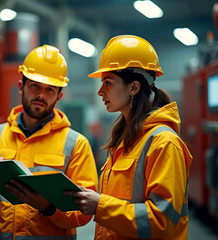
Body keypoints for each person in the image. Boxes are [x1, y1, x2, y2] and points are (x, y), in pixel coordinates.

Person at [0, 44, 98, 240]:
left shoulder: (76, 144)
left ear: (59, 96)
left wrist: (47, 207)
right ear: (21, 86)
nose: (40, 95)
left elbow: (83, 213)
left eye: (50, 90)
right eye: (35, 85)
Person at [66, 35, 193, 239]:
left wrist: (100, 205)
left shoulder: (164, 143)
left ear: (133, 87)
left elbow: (162, 220)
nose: (100, 91)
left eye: (107, 83)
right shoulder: (126, 140)